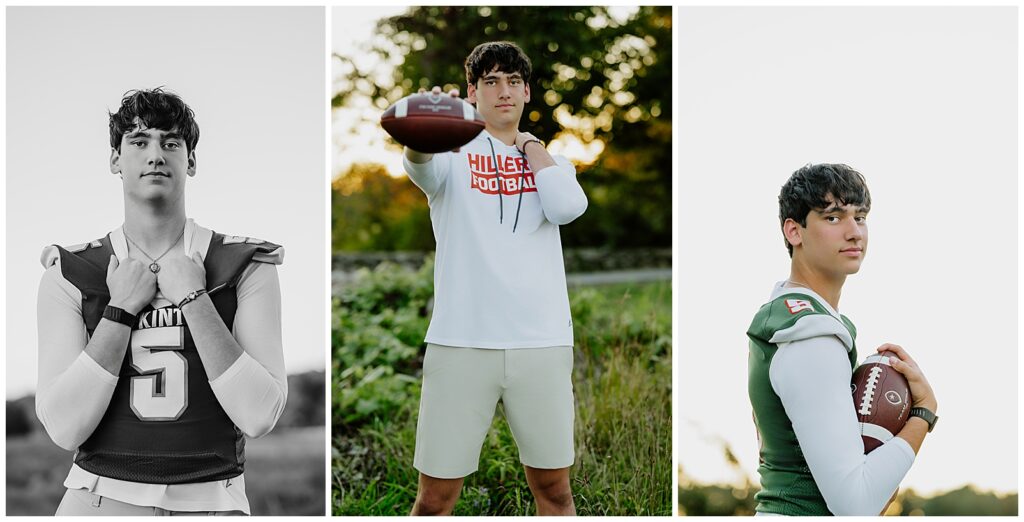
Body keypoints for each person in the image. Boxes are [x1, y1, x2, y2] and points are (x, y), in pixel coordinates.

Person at [35, 88, 288, 515]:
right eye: (139, 141)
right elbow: (63, 427)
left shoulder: (244, 262)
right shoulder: (72, 269)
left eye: (171, 142)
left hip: (212, 499)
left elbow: (259, 415)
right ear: (116, 160)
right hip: (98, 498)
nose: (156, 154)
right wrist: (119, 313)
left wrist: (195, 299)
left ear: (190, 161)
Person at [400, 41, 588, 515]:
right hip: (461, 343)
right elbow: (419, 162)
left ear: (526, 92)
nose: (502, 90)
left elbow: (567, 207)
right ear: (472, 91)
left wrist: (529, 145)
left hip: (541, 344)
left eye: (512, 81)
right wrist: (423, 129)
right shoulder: (452, 151)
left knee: (555, 492)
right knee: (434, 499)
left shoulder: (552, 161)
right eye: (490, 82)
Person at [746, 163, 939, 516]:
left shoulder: (789, 315)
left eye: (860, 217)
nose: (854, 232)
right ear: (794, 231)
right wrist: (923, 414)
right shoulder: (811, 337)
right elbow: (857, 505)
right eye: (833, 218)